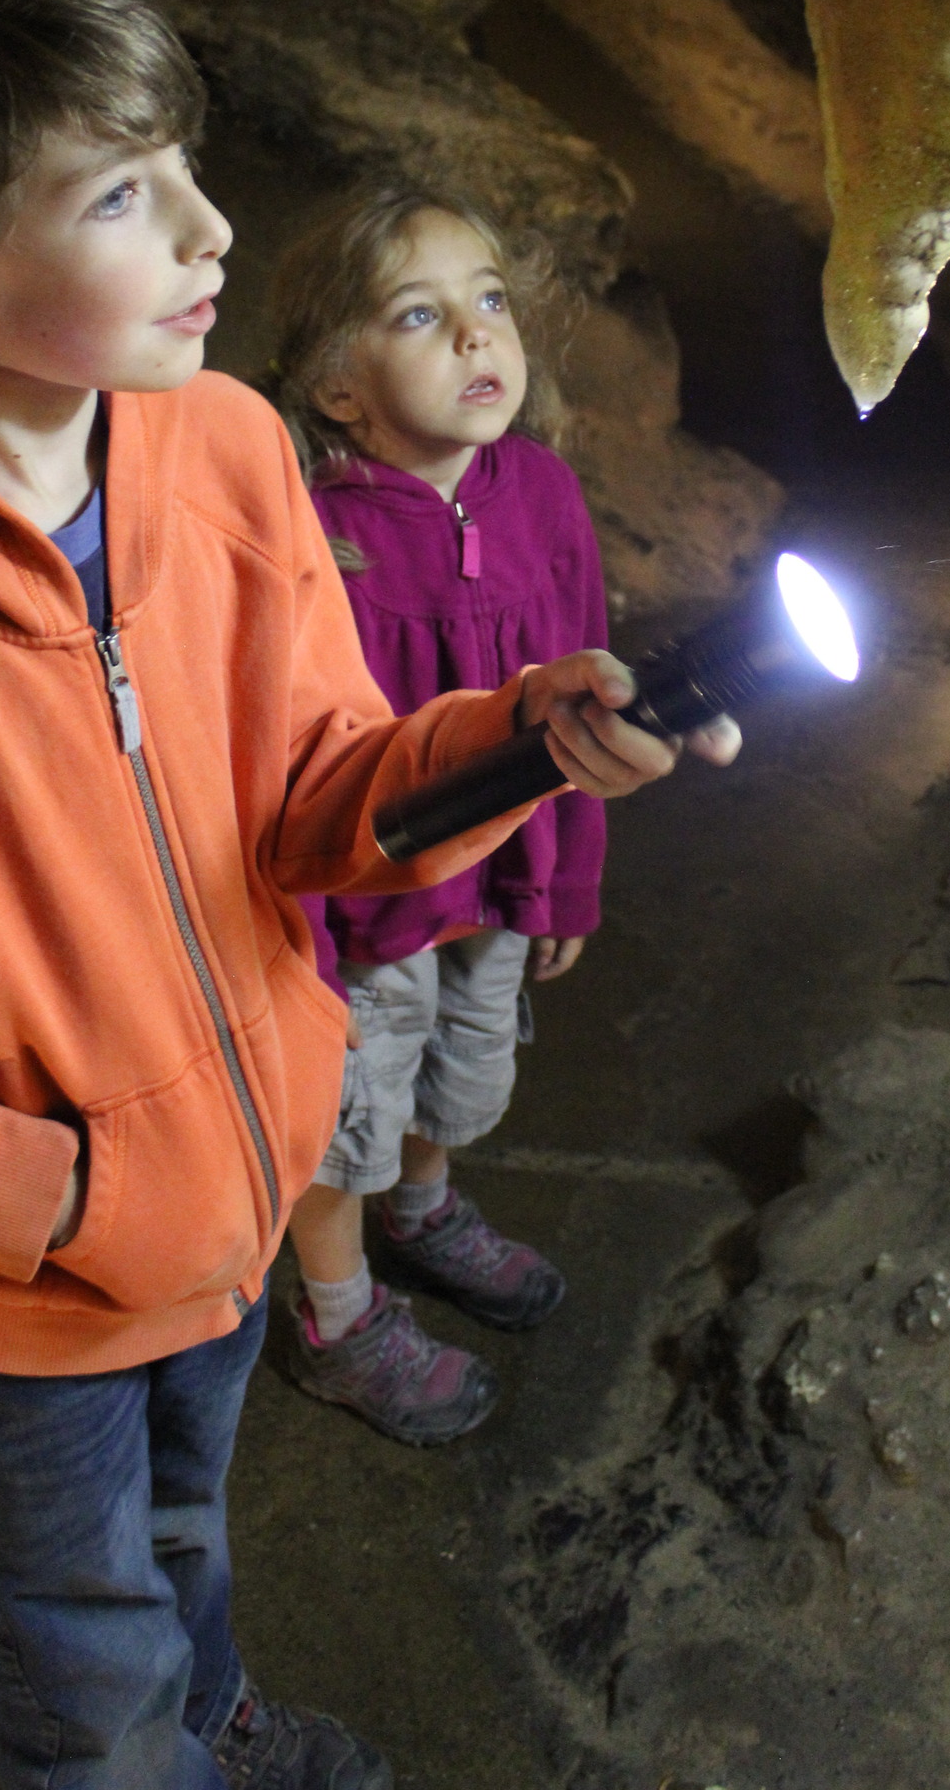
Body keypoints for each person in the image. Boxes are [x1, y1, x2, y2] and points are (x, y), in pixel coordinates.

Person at [0, 0, 741, 1790]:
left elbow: (319, 783)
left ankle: (205, 1710)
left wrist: (519, 739)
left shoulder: (223, 448)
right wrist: (42, 1193)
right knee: (67, 1614)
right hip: (34, 1289)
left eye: (186, 169)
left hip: (242, 1180)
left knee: (186, 1526)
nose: (212, 233)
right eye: (124, 195)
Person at [266, 189, 608, 1447]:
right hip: (364, 900)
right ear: (339, 386)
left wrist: (564, 881)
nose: (478, 338)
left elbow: (585, 686)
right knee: (347, 1103)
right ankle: (338, 1316)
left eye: (491, 300)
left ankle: (424, 1212)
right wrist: (303, 922)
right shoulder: (312, 531)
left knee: (466, 1058)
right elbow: (282, 744)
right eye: (422, 314)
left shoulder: (545, 498)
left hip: (498, 875)